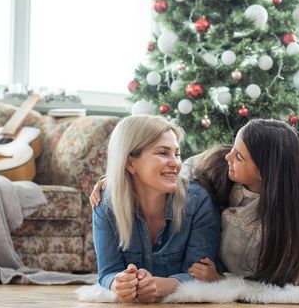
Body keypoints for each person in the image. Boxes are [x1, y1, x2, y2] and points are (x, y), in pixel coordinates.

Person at [90, 119, 299, 288]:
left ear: (264, 172)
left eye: (239, 156)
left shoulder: (275, 226)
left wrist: (220, 279)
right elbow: (178, 170)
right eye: (232, 148)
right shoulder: (217, 164)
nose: (228, 157)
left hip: (230, 277)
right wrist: (118, 177)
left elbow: (264, 283)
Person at [92, 115, 221, 303]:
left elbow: (200, 274)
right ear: (129, 163)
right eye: (163, 153)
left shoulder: (198, 201)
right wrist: (118, 284)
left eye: (176, 154)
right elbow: (107, 272)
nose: (176, 164)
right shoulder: (104, 204)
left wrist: (162, 286)